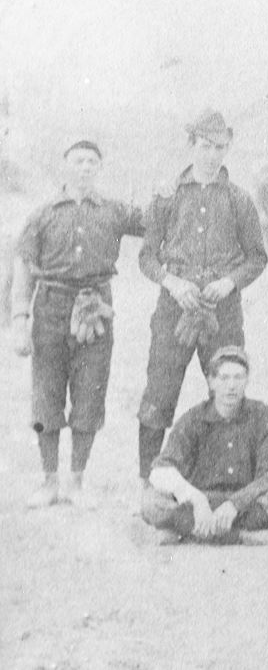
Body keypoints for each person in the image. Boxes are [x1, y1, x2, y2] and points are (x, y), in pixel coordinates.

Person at [137, 110, 268, 482]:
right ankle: (148, 481)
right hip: (174, 309)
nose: (212, 155)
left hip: (221, 311)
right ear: (191, 144)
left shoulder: (239, 200)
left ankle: (227, 479)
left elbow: (257, 257)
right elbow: (146, 256)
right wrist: (173, 284)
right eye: (205, 146)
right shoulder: (166, 197)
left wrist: (229, 282)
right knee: (159, 394)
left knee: (228, 391)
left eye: (220, 147)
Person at [12, 140, 143, 507]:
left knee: (90, 394)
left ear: (99, 168)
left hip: (96, 308)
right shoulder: (42, 215)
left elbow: (156, 224)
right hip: (51, 309)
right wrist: (20, 321)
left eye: (92, 162)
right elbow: (23, 267)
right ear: (65, 166)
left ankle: (77, 482)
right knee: (46, 396)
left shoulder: (115, 211)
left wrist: (164, 198)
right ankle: (49, 481)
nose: (85, 167)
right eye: (78, 161)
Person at [142, 346, 268, 546]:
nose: (231, 386)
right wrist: (197, 501)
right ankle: (244, 537)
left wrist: (234, 504)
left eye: (238, 377)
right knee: (151, 501)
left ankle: (189, 533)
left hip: (245, 503)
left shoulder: (262, 415)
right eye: (224, 378)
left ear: (247, 380)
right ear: (211, 382)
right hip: (201, 503)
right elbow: (160, 469)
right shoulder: (193, 419)